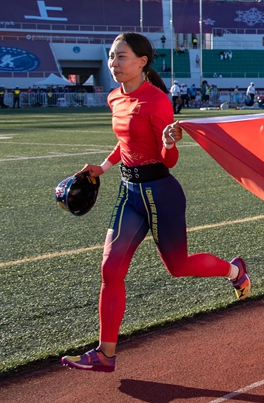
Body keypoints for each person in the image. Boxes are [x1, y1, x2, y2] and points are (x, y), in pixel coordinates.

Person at [60, 32, 249, 373]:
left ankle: (234, 271)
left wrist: (169, 142)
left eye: (121, 57)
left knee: (178, 267)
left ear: (141, 62)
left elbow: (168, 160)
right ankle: (105, 354)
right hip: (129, 193)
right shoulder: (114, 97)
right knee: (110, 270)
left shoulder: (158, 101)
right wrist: (102, 167)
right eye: (111, 56)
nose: (113, 63)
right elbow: (126, 142)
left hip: (161, 192)